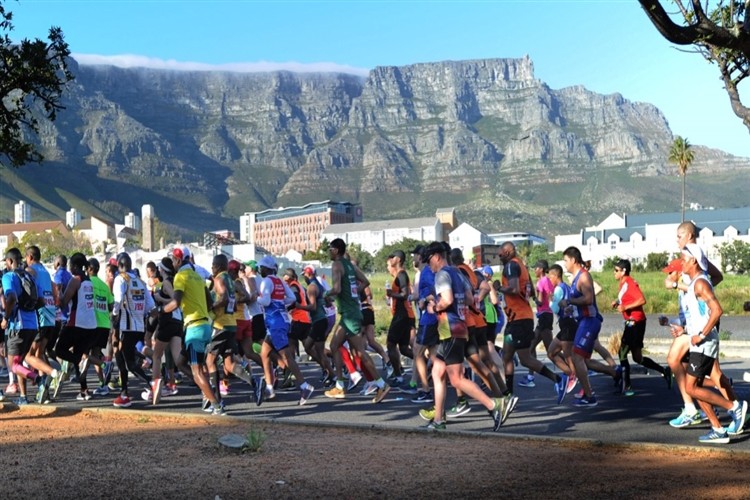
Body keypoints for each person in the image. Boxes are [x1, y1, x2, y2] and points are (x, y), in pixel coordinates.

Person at [418, 242, 504, 431]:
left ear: (437, 257)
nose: (429, 266)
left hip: (450, 329)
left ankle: (494, 405)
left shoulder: (442, 274)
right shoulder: (457, 272)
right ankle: (439, 420)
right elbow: (470, 298)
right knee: (437, 372)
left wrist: (434, 307)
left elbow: (447, 299)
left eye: (429, 261)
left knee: (456, 379)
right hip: (460, 327)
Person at [671, 244, 747, 443]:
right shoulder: (694, 284)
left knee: (691, 387)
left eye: (683, 259)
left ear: (693, 261)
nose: (681, 263)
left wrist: (701, 335)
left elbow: (717, 310)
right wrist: (684, 330)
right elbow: (700, 316)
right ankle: (718, 429)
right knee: (695, 386)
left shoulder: (700, 284)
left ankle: (735, 408)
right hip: (698, 341)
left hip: (704, 343)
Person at [323, 238, 389, 403]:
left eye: (330, 249)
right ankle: (341, 385)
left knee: (356, 351)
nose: (328, 252)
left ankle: (379, 385)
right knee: (339, 347)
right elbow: (365, 282)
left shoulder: (337, 265)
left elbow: (337, 288)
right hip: (353, 312)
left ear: (336, 250)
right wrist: (353, 295)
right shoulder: (350, 265)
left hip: (349, 315)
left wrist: (325, 295)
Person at [498, 242, 566, 399]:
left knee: (525, 359)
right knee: (506, 356)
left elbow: (514, 289)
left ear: (507, 252)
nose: (499, 258)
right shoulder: (521, 266)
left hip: (520, 319)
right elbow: (531, 292)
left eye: (500, 254)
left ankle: (558, 379)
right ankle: (508, 395)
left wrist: (498, 288)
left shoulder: (511, 265)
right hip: (516, 319)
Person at [163, 247, 224, 415]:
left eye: (173, 260)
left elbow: (175, 302)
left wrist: (160, 310)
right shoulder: (198, 276)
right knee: (181, 362)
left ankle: (216, 405)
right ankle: (207, 391)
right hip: (205, 326)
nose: (172, 264)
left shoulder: (180, 276)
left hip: (194, 329)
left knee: (197, 372)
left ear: (178, 260)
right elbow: (210, 303)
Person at [559, 246, 621, 408]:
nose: (564, 264)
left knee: (577, 356)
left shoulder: (583, 277)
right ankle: (615, 372)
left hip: (590, 321)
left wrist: (569, 301)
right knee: (584, 360)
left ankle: (589, 396)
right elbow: (580, 302)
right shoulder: (575, 278)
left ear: (573, 260)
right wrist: (570, 308)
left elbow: (588, 299)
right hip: (583, 321)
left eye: (566, 260)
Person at [1, 248, 59, 405]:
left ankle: (40, 380)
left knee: (13, 365)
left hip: (17, 325)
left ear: (10, 261)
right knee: (20, 361)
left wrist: (6, 318)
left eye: (6, 262)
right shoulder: (30, 276)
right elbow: (41, 301)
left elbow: (11, 297)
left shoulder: (9, 276)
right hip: (32, 325)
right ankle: (23, 397)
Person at [257, 256, 315, 405]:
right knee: (264, 353)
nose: (260, 269)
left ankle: (304, 386)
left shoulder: (266, 281)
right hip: (281, 320)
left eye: (261, 267)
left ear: (267, 269)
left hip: (275, 322)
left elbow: (265, 301)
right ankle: (269, 388)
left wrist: (254, 298)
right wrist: (280, 303)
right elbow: (291, 299)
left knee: (286, 357)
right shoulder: (280, 281)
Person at [611, 259, 670, 396]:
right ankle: (664, 371)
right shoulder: (623, 283)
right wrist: (617, 301)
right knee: (637, 358)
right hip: (636, 322)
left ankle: (626, 387)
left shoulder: (630, 283)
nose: (614, 272)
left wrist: (625, 307)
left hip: (635, 322)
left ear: (623, 271)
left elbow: (642, 300)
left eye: (616, 270)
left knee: (622, 353)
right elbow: (626, 297)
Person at [111, 252, 155, 408]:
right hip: (139, 327)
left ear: (119, 265)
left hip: (125, 326)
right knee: (123, 357)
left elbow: (117, 300)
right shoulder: (140, 282)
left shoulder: (120, 279)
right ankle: (124, 393)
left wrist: (114, 315)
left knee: (126, 361)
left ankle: (150, 383)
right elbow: (150, 306)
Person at [54, 252, 98, 401]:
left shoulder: (75, 280)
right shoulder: (89, 281)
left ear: (74, 266)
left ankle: (79, 362)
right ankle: (84, 390)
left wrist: (58, 291)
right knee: (78, 355)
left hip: (77, 323)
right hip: (91, 325)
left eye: (70, 265)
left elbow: (63, 302)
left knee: (60, 349)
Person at [521, 260, 555, 388]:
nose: (534, 270)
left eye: (536, 268)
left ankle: (572, 371)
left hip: (544, 317)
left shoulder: (542, 282)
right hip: (546, 316)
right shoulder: (547, 281)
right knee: (532, 346)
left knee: (551, 351)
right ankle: (530, 377)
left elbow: (540, 301)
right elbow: (549, 297)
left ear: (541, 269)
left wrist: (534, 298)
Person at [384, 250, 415, 388]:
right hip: (403, 314)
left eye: (392, 257)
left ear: (398, 259)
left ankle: (398, 376)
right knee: (403, 348)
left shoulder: (401, 274)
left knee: (390, 344)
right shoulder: (398, 275)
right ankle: (426, 363)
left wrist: (391, 294)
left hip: (402, 315)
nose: (390, 260)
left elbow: (405, 294)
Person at [301, 265, 335, 386]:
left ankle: (331, 374)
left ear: (308, 273)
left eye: (304, 275)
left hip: (319, 321)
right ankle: (327, 370)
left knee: (318, 351)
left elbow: (313, 307)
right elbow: (329, 301)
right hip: (321, 319)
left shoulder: (311, 287)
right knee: (308, 347)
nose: (304, 278)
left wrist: (299, 306)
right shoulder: (319, 285)